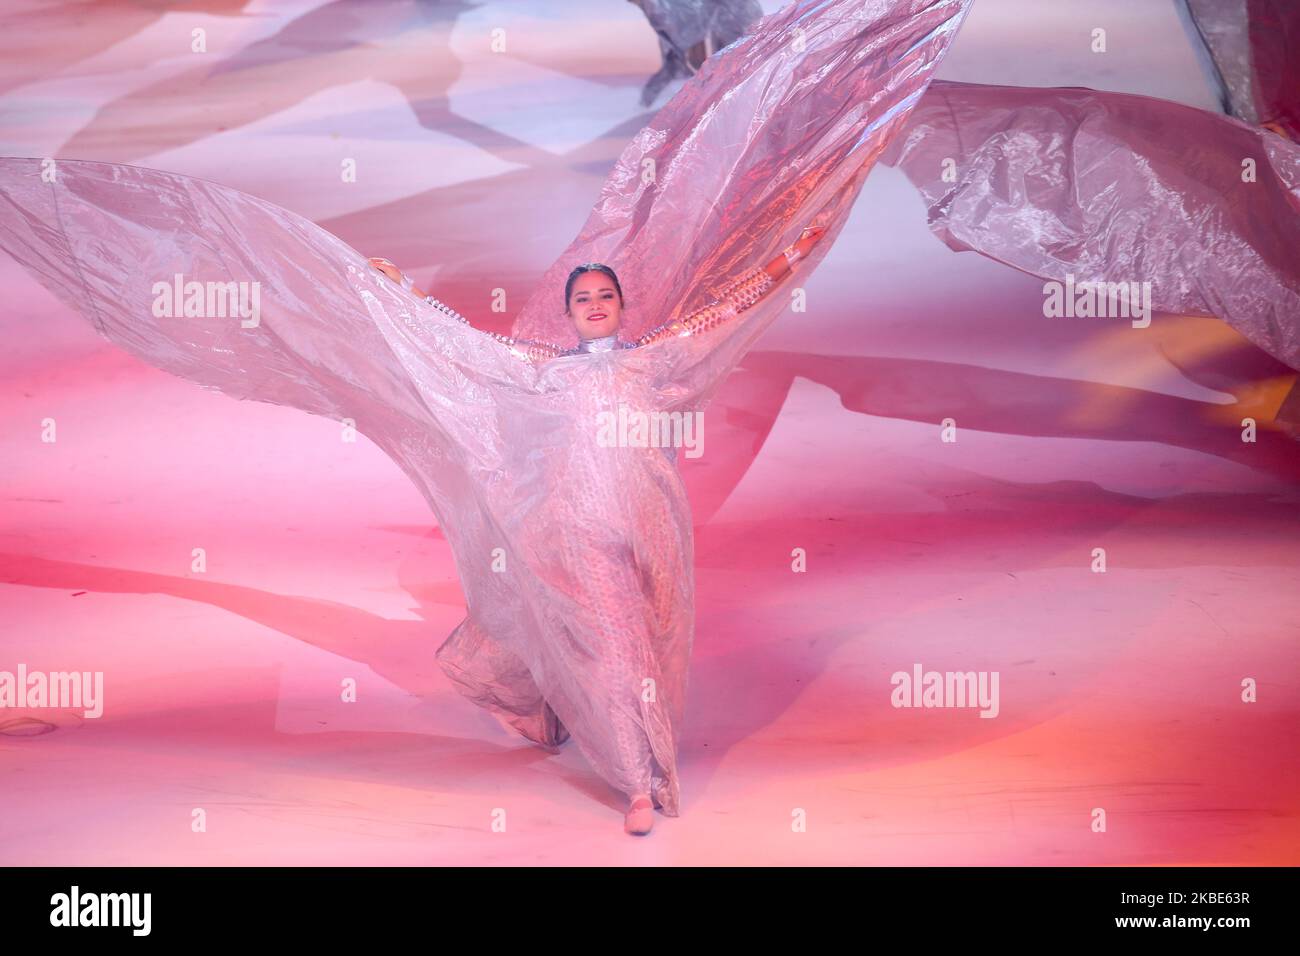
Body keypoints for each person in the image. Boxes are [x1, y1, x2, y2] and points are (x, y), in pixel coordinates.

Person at [366, 226, 824, 834]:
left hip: (655, 524)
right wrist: (406, 293)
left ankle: (572, 713)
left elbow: (728, 311)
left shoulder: (654, 355)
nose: (596, 303)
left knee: (658, 642)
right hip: (583, 531)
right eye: (583, 299)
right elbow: (468, 344)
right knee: (620, 649)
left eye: (605, 294)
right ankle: (638, 783)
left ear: (621, 305)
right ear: (569, 315)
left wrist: (792, 256)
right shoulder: (547, 370)